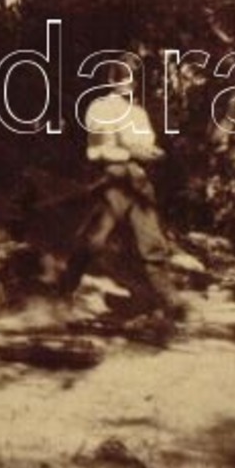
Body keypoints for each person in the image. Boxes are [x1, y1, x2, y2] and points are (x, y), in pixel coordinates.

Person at [61, 71, 182, 325]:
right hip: (113, 179)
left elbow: (149, 146)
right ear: (109, 81)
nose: (123, 84)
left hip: (138, 182)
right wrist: (124, 151)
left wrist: (149, 154)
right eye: (117, 78)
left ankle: (167, 304)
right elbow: (94, 152)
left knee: (151, 243)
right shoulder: (99, 109)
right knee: (93, 240)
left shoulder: (138, 113)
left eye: (128, 79)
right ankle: (63, 295)